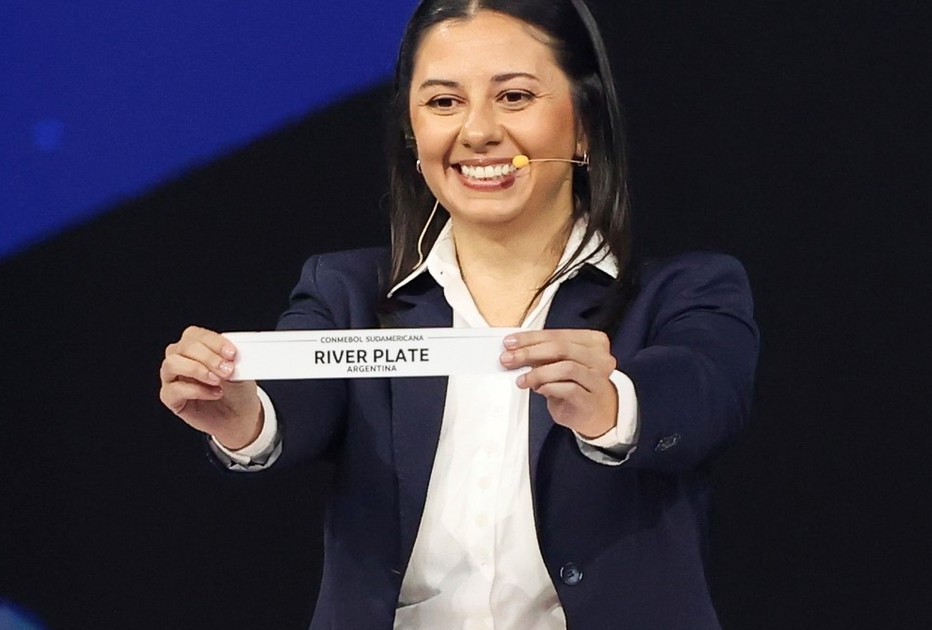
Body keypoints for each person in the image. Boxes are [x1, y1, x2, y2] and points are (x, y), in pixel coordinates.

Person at [158, 0, 758, 628]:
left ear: (584, 124)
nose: (477, 132)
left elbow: (700, 396)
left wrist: (612, 406)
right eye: (444, 102)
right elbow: (293, 401)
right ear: (412, 133)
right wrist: (242, 417)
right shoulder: (347, 292)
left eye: (514, 97)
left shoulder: (688, 291)